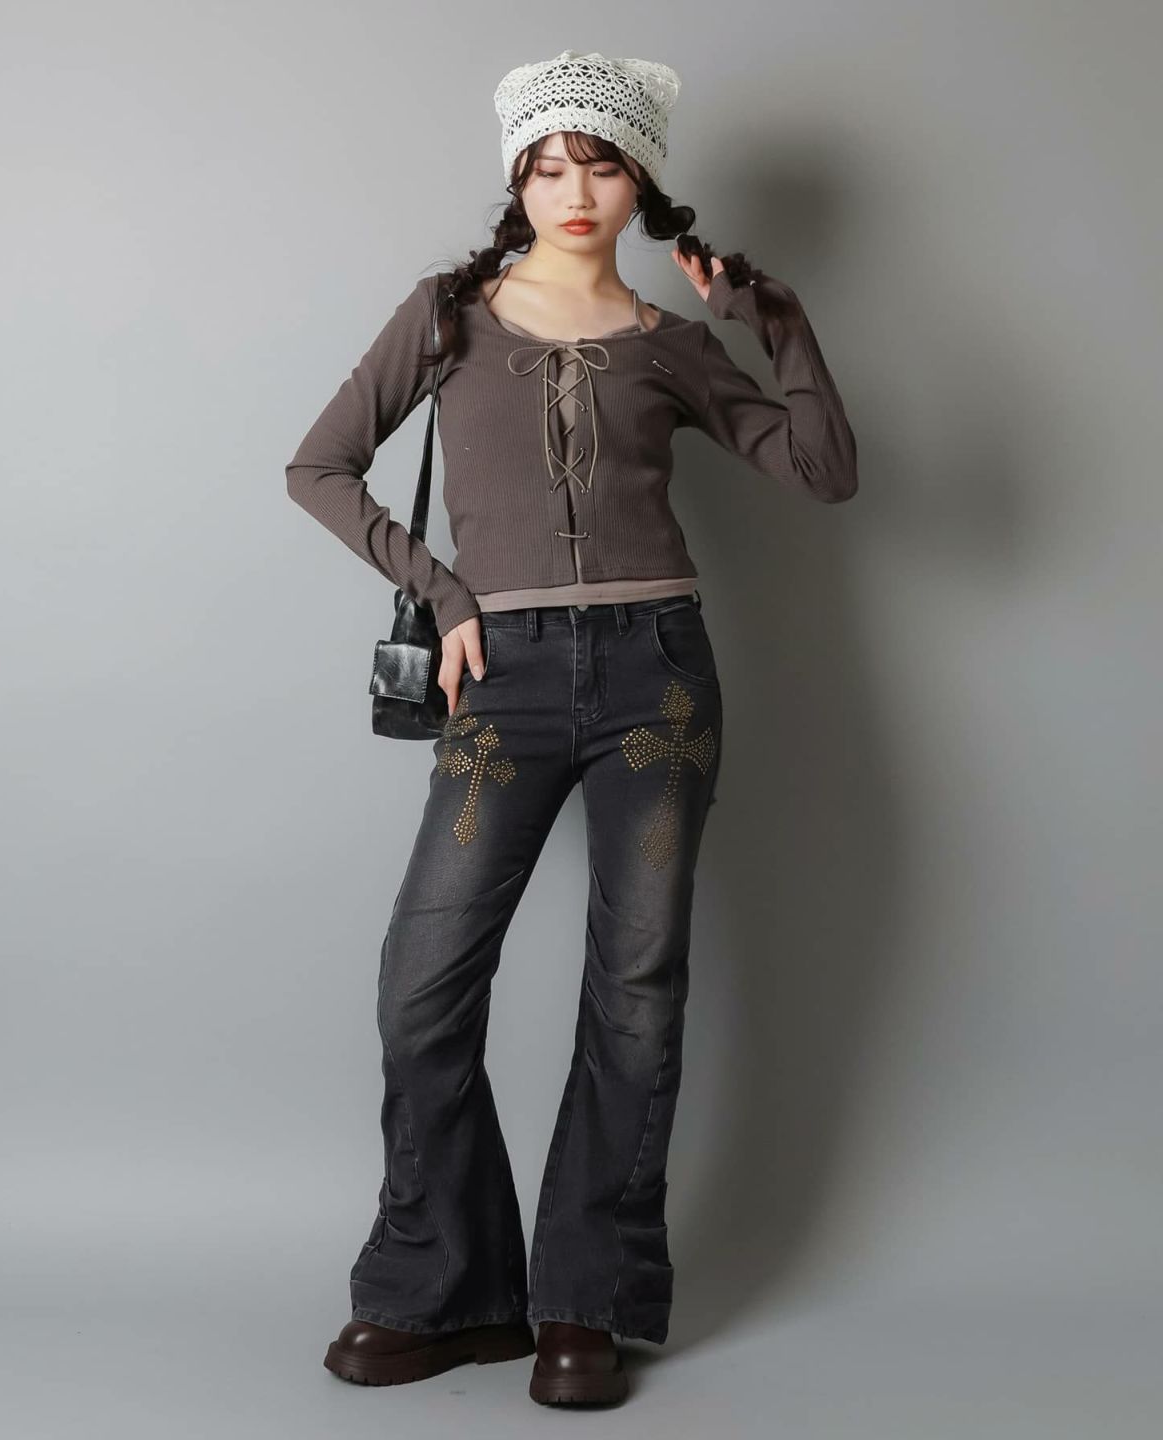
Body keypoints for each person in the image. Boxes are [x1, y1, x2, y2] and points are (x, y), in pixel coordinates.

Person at [285, 48, 858, 1406]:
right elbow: (319, 466)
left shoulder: (672, 345)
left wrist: (782, 324)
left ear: (640, 180)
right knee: (423, 986)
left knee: (637, 989)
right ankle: (446, 1287)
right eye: (548, 167)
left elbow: (823, 471)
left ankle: (582, 1302)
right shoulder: (447, 317)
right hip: (504, 679)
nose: (574, 190)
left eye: (601, 164)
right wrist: (445, 593)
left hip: (659, 678)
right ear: (519, 181)